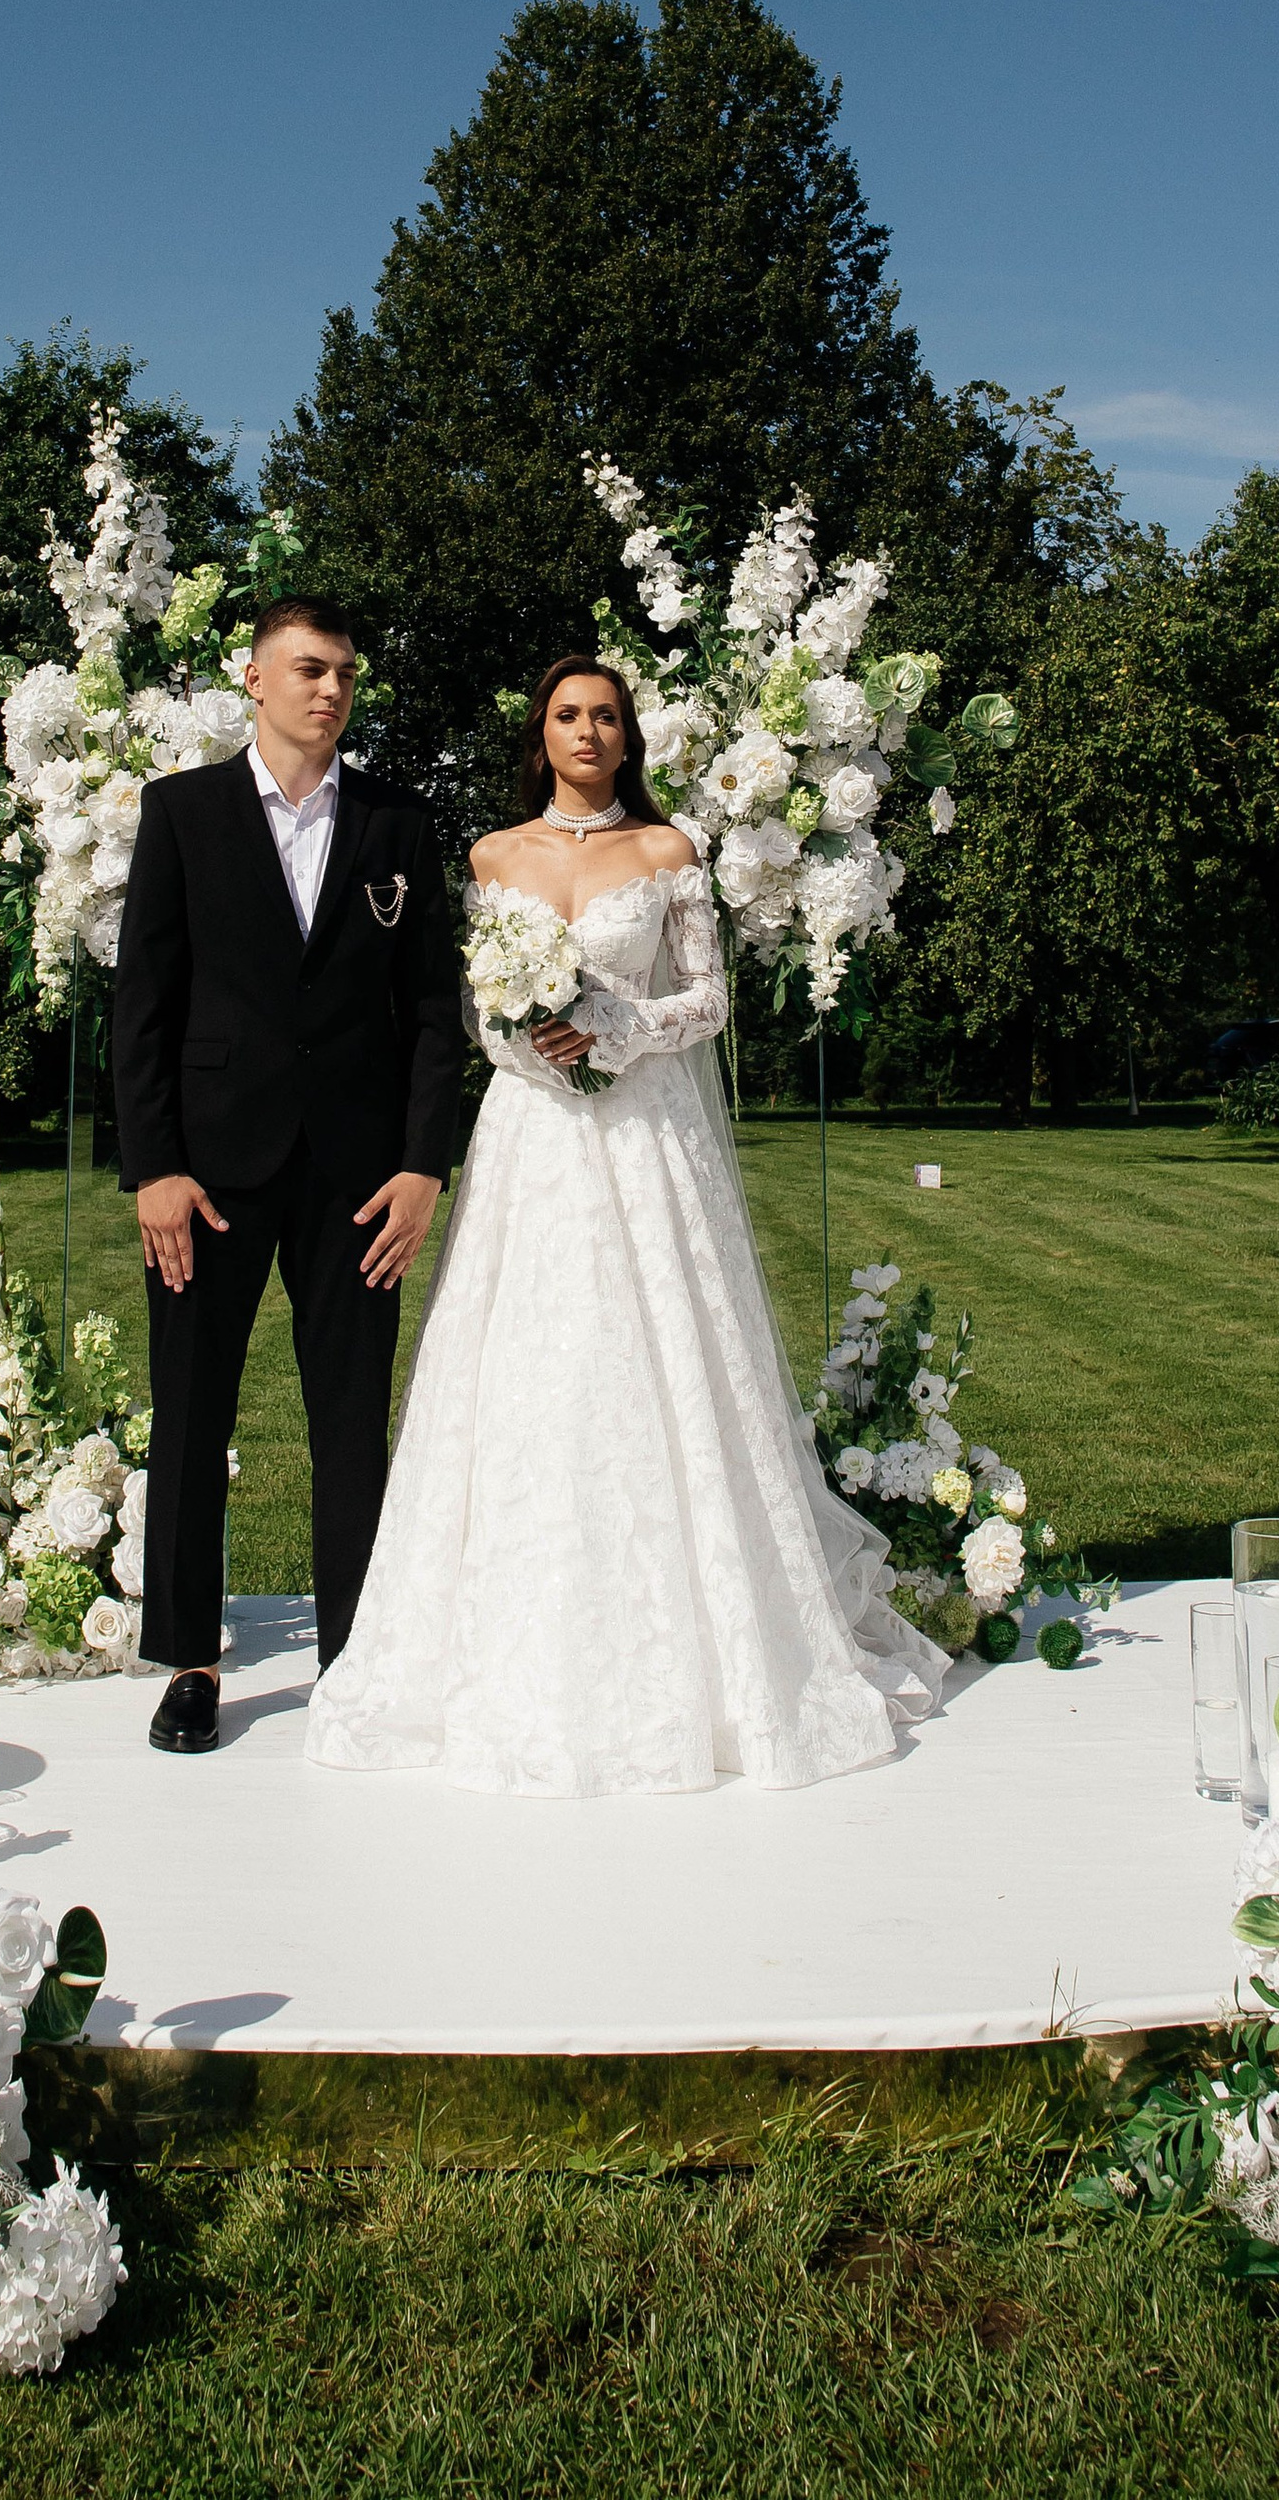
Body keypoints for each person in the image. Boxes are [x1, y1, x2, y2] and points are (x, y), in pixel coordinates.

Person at [305, 658, 948, 1796]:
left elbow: (709, 999)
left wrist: (616, 1023)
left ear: (627, 735)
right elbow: (469, 1006)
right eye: (567, 714)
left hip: (646, 1141)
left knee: (663, 1364)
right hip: (531, 1143)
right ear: (541, 734)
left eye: (605, 715)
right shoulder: (491, 856)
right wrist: (525, 1041)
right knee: (526, 1366)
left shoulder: (668, 853)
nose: (587, 731)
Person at [112, 595, 464, 1754]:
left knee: (352, 1422)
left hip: (358, 1178)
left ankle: (355, 1657)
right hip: (208, 1170)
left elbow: (429, 1014)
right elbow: (144, 1007)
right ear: (252, 680)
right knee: (192, 1415)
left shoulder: (397, 824)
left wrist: (423, 1165)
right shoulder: (181, 814)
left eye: (346, 675)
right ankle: (190, 1662)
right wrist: (152, 1167)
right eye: (309, 670)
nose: (330, 691)